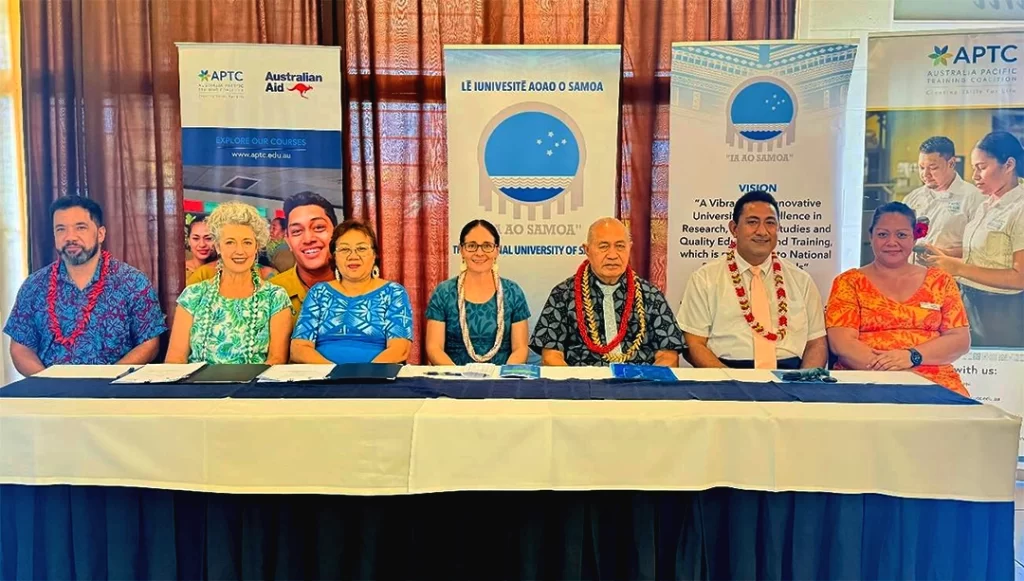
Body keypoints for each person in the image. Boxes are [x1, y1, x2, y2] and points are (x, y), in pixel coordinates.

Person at [4, 196, 166, 375]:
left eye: (80, 227)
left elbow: (150, 343)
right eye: (61, 229)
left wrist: (106, 381)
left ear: (101, 234)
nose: (70, 237)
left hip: (114, 393)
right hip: (51, 397)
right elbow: (20, 348)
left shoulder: (132, 282)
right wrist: (46, 383)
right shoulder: (34, 286)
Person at [827, 203, 971, 395]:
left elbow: (959, 339)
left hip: (934, 380)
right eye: (883, 234)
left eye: (901, 235)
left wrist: (912, 357)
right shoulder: (849, 282)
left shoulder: (940, 281)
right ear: (871, 237)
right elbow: (842, 344)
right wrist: (894, 373)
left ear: (914, 238)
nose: (892, 242)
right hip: (865, 377)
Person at [677, 190, 827, 369]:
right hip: (726, 376)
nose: (762, 231)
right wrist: (730, 382)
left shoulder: (801, 281)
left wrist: (802, 384)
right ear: (734, 229)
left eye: (770, 223)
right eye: (752, 222)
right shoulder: (705, 279)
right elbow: (694, 344)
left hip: (790, 377)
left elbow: (816, 343)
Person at [531, 217, 684, 366]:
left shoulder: (650, 295)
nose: (612, 255)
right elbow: (551, 356)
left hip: (639, 384)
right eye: (604, 246)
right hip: (583, 385)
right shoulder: (563, 294)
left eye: (620, 246)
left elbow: (668, 355)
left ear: (629, 248)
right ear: (587, 250)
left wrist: (645, 386)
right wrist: (575, 386)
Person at [924, 131, 1024, 348]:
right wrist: (945, 257)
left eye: (982, 167)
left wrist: (957, 267)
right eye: (974, 168)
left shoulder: (1020, 208)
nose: (974, 175)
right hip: (970, 303)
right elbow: (982, 255)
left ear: (1008, 165)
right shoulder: (987, 204)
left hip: (1001, 312)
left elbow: (1019, 278)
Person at [166, 202, 292, 364]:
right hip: (196, 387)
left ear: (256, 248)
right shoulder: (192, 296)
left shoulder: (275, 297)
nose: (239, 251)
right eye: (230, 242)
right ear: (218, 247)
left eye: (247, 242)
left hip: (255, 388)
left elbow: (276, 360)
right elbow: (175, 360)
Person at [290, 219, 413, 364]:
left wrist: (363, 375)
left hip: (377, 378)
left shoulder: (393, 293)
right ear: (334, 257)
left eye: (361, 248)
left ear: (374, 255)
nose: (353, 256)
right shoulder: (318, 293)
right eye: (344, 249)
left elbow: (400, 349)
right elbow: (298, 349)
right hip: (323, 380)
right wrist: (335, 374)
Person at [425, 219, 530, 365]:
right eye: (471, 246)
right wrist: (457, 379)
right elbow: (434, 348)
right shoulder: (443, 293)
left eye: (487, 246)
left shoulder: (513, 292)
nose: (479, 252)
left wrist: (503, 379)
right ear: (461, 250)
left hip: (502, 381)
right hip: (453, 381)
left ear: (497, 250)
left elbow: (520, 349)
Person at [902, 136, 984, 258]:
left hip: (952, 275)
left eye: (933, 168)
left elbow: (982, 249)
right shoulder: (911, 198)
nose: (925, 174)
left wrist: (943, 254)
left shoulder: (974, 198)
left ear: (951, 163)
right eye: (922, 167)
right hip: (913, 274)